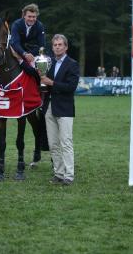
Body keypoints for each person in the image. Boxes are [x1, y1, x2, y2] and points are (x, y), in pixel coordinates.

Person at [40, 34, 80, 186]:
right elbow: (45, 84)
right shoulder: (48, 63)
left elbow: (71, 87)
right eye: (55, 45)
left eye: (60, 44)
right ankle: (58, 173)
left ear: (66, 47)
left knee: (66, 143)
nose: (57, 47)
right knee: (53, 144)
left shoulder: (72, 64)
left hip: (65, 108)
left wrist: (51, 82)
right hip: (49, 108)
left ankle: (69, 176)